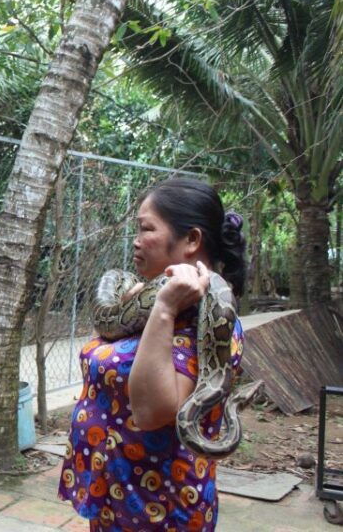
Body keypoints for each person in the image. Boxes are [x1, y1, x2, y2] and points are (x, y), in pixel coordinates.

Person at [58, 178, 247, 531]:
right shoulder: (150, 299)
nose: (136, 239)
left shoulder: (200, 319)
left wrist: (162, 307)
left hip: (159, 510)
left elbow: (150, 412)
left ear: (192, 240)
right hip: (114, 498)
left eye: (147, 229)